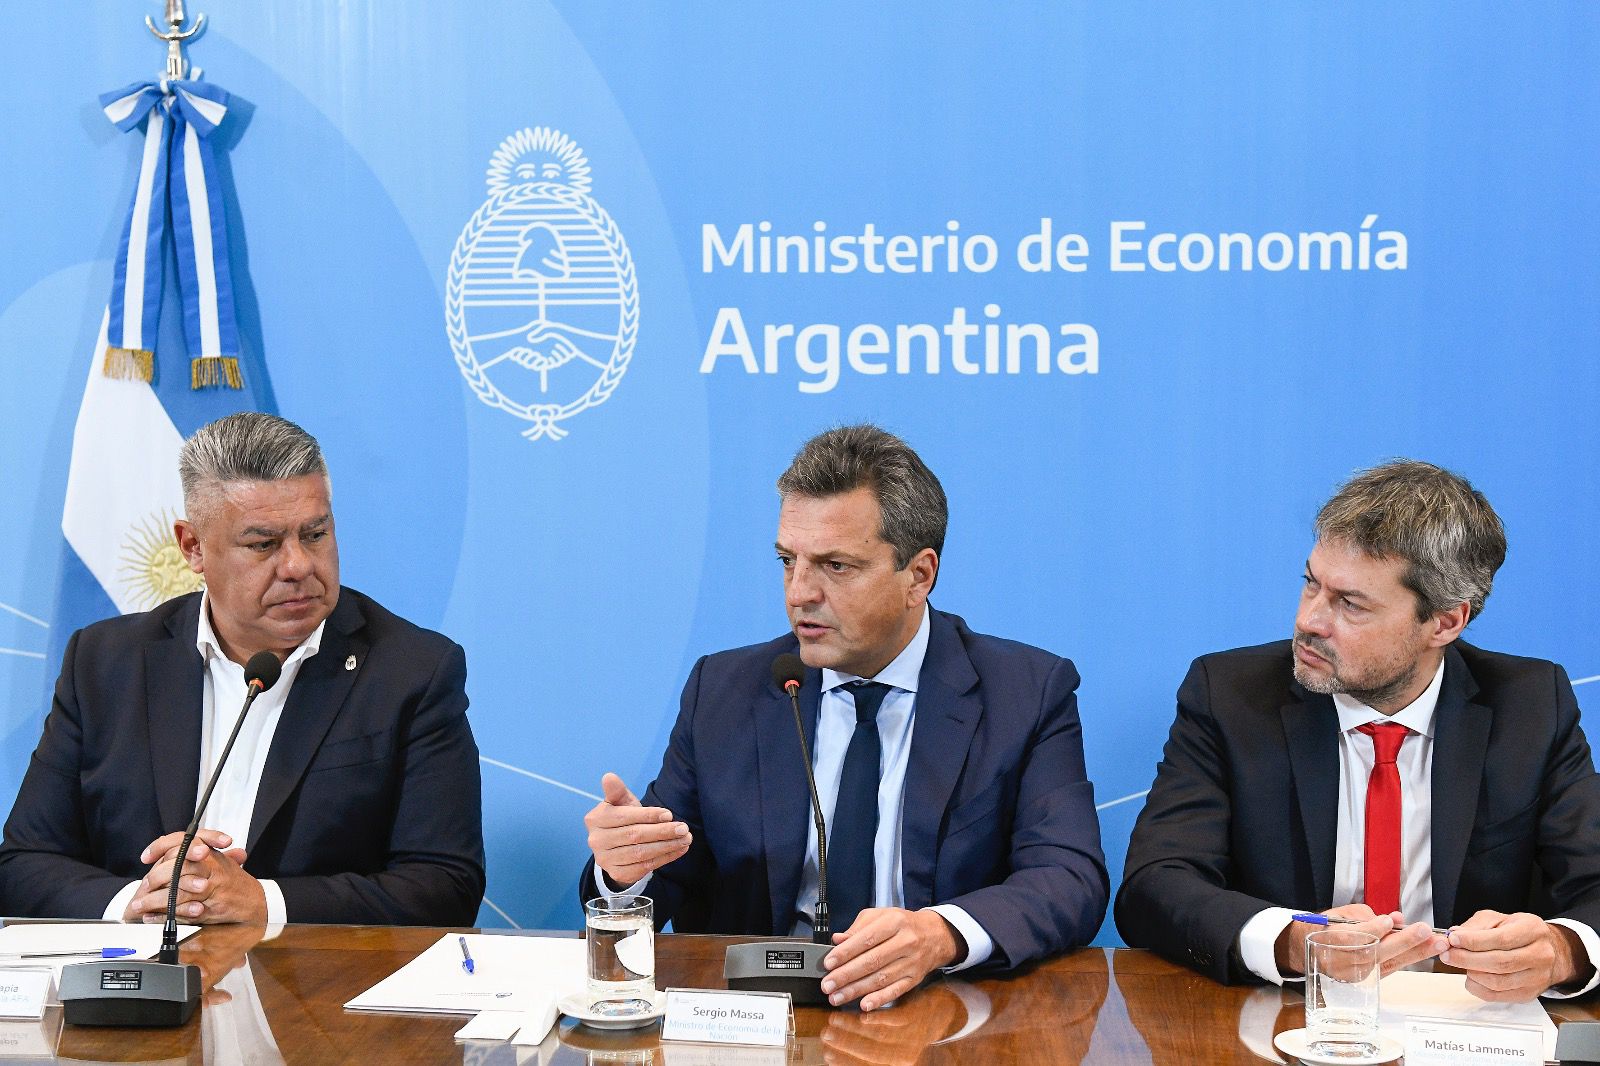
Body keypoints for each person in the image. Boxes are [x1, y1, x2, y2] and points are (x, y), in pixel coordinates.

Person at [581, 424, 1108, 1011]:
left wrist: (942, 933)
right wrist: (626, 871)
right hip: (760, 1018)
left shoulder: (1025, 693)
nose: (799, 593)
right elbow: (667, 872)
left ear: (919, 575)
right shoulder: (725, 691)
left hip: (939, 1011)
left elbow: (1068, 877)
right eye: (788, 561)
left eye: (835, 565)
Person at [1116, 459, 1600, 1002]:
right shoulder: (1231, 695)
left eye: (1350, 604)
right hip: (1290, 1015)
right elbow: (1156, 884)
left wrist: (1563, 950)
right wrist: (1294, 943)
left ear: (1444, 622)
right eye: (1311, 584)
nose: (1310, 621)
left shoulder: (1531, 705)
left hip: (1469, 1019)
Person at [0, 412, 484, 926]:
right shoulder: (104, 663)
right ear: (193, 547)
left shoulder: (412, 672)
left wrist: (262, 903)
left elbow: (445, 884)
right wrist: (140, 902)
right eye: (263, 544)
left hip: (313, 974)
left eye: (315, 534)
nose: (298, 566)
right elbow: (23, 866)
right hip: (137, 971)